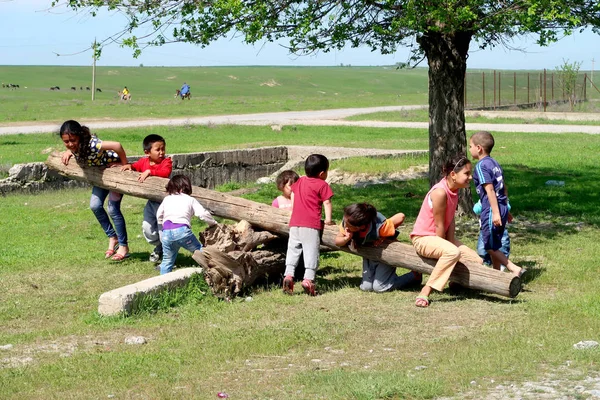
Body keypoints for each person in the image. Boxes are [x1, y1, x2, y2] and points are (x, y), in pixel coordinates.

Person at [410, 155, 483, 308]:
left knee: (477, 261)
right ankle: (426, 290)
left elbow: (450, 220)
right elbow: (439, 226)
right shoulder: (440, 192)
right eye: (467, 173)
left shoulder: (454, 191)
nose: (470, 177)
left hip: (439, 237)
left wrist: (450, 243)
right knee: (452, 253)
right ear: (453, 175)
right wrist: (447, 248)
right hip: (423, 238)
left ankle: (455, 282)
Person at [59, 120, 130, 261]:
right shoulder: (74, 147)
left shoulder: (93, 144)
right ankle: (112, 237)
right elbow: (73, 147)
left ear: (79, 136)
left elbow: (117, 145)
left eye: (73, 140)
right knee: (95, 205)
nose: (70, 144)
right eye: (66, 142)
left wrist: (125, 164)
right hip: (100, 177)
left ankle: (123, 246)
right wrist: (68, 151)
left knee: (113, 209)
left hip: (114, 173)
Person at [469, 131, 526, 278]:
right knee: (495, 243)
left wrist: (495, 212)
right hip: (501, 206)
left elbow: (490, 190)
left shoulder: (481, 166)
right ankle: (496, 275)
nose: (469, 150)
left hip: (491, 209)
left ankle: (513, 268)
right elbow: (503, 187)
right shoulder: (494, 163)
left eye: (470, 146)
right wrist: (505, 209)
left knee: (489, 245)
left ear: (479, 148)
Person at [335, 203, 421, 292]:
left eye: (348, 225)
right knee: (366, 287)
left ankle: (414, 276)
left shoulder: (379, 227)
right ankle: (387, 277)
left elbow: (401, 216)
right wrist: (346, 238)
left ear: (361, 227)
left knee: (380, 287)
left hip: (385, 255)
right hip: (369, 256)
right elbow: (337, 241)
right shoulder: (348, 221)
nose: (345, 225)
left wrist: (383, 236)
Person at [283, 154, 334, 296]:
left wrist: (294, 210)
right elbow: (327, 203)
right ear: (322, 173)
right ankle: (308, 280)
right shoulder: (322, 184)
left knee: (293, 250)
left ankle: (288, 275)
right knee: (311, 252)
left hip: (295, 223)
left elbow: (292, 194)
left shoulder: (299, 182)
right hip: (310, 225)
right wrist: (328, 220)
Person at [121, 134, 173, 263]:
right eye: (157, 150)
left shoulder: (167, 162)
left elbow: (165, 173)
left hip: (165, 202)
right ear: (147, 152)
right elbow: (135, 166)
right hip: (152, 202)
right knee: (147, 228)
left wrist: (150, 172)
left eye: (163, 149)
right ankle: (159, 247)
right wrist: (130, 166)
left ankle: (168, 257)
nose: (161, 153)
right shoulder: (144, 162)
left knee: (163, 230)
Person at [156, 175, 217, 275]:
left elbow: (159, 215)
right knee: (199, 251)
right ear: (186, 187)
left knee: (167, 261)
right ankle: (213, 272)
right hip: (182, 231)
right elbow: (202, 214)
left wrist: (162, 227)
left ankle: (164, 284)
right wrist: (213, 223)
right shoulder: (190, 199)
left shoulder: (167, 199)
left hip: (166, 233)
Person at [474, 199, 511, 271]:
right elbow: (476, 210)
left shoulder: (501, 198)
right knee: (482, 248)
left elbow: (508, 207)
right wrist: (482, 204)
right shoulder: (483, 199)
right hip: (485, 230)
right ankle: (486, 262)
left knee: (503, 246)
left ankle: (503, 264)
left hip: (501, 229)